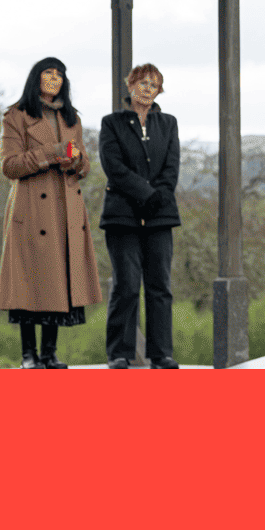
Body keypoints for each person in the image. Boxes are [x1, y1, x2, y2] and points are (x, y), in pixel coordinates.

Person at [0, 56, 103, 368]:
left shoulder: (72, 119)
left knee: (60, 279)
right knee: (30, 281)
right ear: (36, 78)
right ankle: (28, 354)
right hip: (31, 209)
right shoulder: (16, 116)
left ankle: (49, 353)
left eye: (59, 75)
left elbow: (85, 166)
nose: (54, 79)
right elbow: (9, 166)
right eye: (49, 73)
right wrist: (52, 153)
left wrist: (77, 160)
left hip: (65, 209)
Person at [98, 63, 182, 369]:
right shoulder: (112, 123)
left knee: (160, 285)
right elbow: (114, 166)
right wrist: (145, 194)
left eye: (154, 85)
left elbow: (171, 167)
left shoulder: (169, 124)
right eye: (142, 83)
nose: (147, 89)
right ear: (130, 85)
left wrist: (156, 196)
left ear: (159, 91)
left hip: (160, 216)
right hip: (123, 217)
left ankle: (162, 354)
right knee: (127, 284)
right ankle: (119, 352)